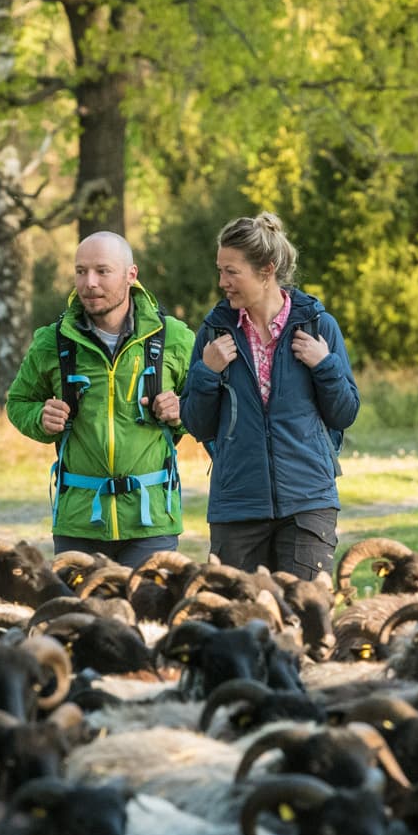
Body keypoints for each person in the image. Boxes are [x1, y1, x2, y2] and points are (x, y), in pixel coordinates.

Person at [178, 212, 360, 581]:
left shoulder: (318, 325)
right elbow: (195, 423)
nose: (222, 282)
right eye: (220, 270)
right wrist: (205, 373)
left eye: (232, 272)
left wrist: (324, 365)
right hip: (237, 506)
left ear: (266, 270)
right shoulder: (214, 332)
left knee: (304, 619)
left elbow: (345, 413)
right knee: (239, 621)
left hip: (309, 503)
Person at [4, 232, 194, 564]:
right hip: (79, 521)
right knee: (81, 616)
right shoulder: (53, 341)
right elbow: (18, 402)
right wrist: (40, 419)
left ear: (131, 275)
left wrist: (182, 411)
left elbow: (208, 403)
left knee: (144, 616)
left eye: (102, 271)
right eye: (81, 271)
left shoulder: (173, 337)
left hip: (150, 522)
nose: (89, 282)